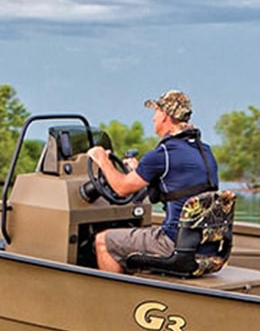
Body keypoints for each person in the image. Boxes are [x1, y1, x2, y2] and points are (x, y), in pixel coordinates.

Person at [87, 90, 219, 273]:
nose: (153, 119)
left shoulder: (164, 153)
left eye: (155, 112)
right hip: (206, 246)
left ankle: (116, 300)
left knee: (103, 241)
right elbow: (177, 181)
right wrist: (140, 169)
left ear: (165, 115)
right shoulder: (204, 151)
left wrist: (102, 160)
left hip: (174, 244)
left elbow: (121, 188)